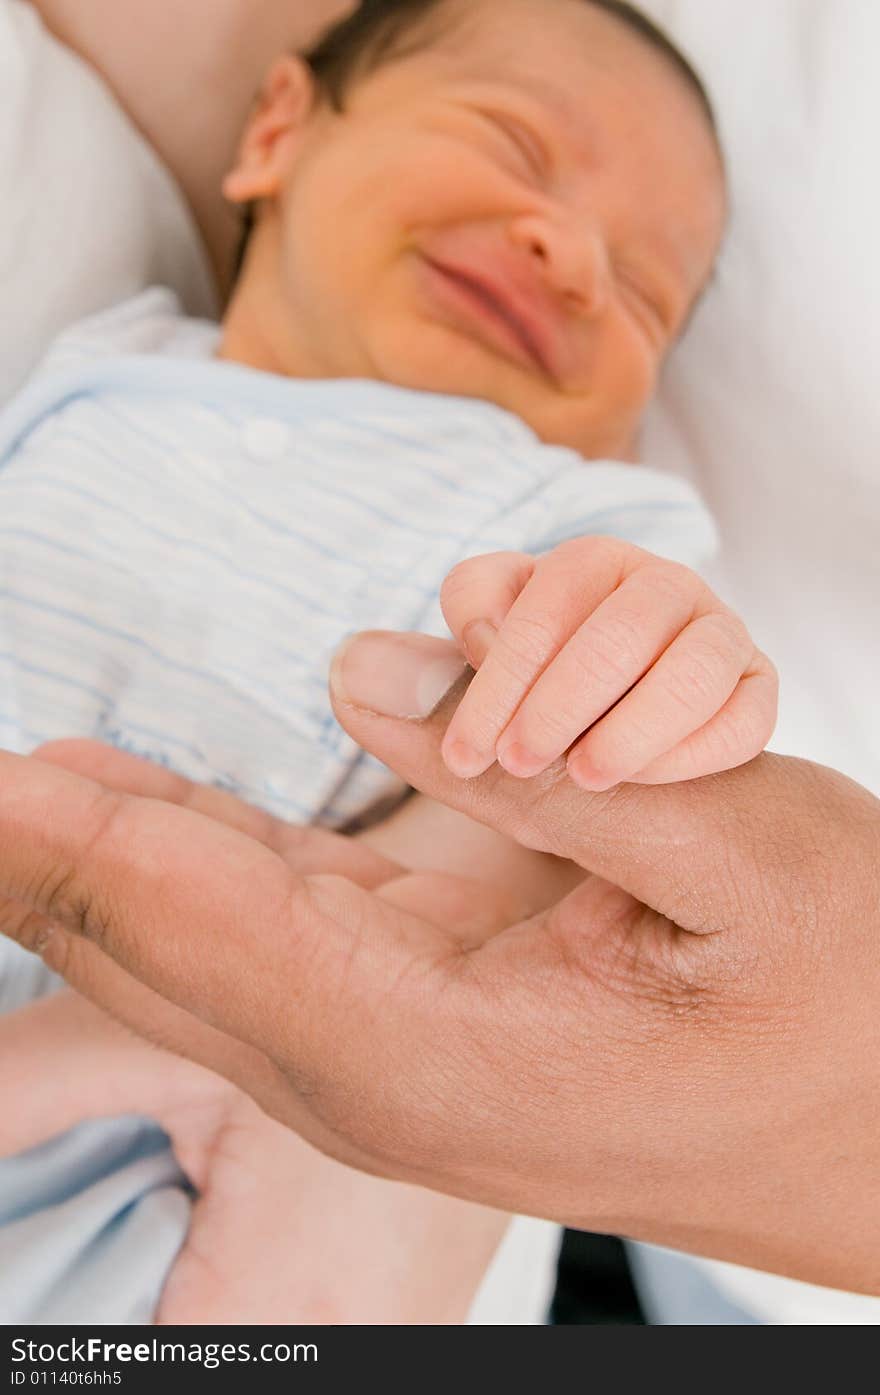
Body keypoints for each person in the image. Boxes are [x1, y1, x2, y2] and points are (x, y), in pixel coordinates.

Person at [0, 0, 760, 1324]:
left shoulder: (565, 517)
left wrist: (664, 659)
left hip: (154, 1148)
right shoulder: (105, 358)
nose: (571, 253)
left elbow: (650, 714)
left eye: (646, 292)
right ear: (277, 132)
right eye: (514, 147)